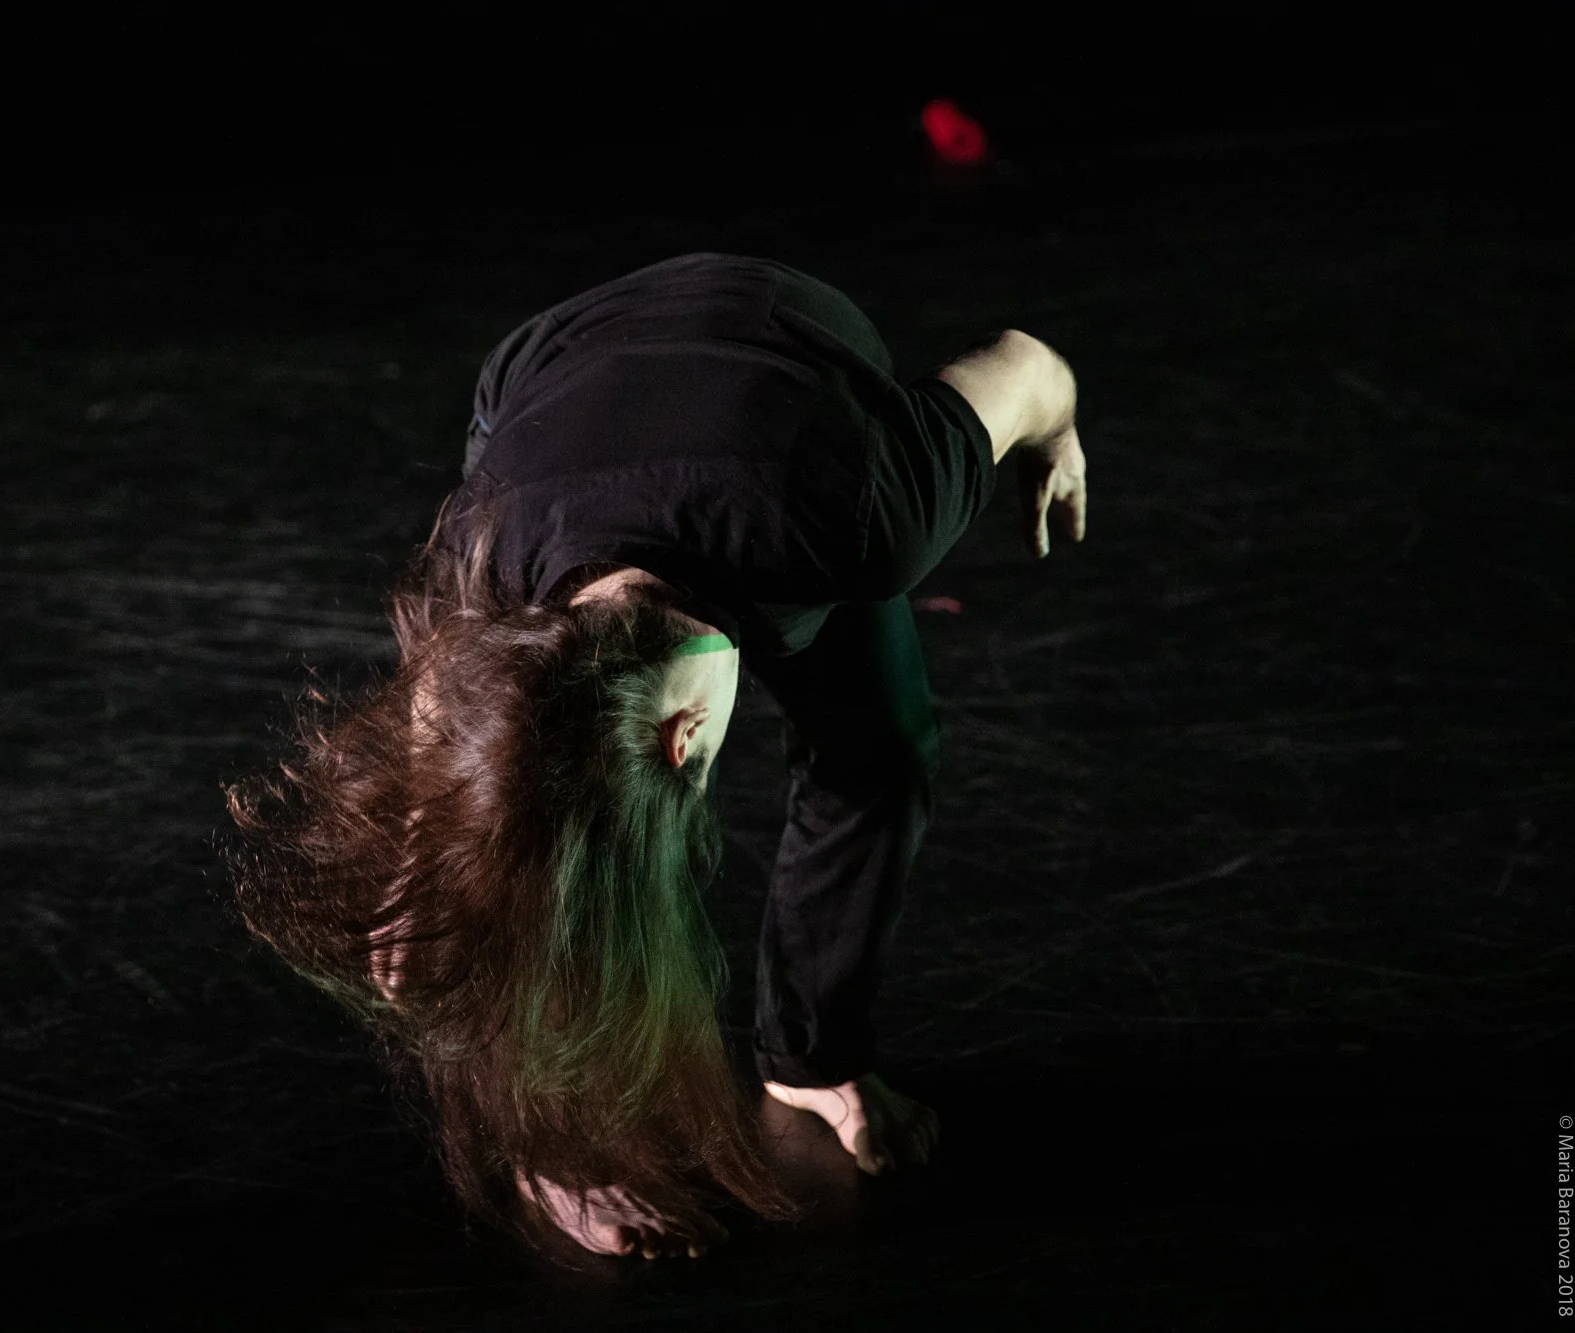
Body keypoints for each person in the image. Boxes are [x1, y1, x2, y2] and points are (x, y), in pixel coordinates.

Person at [224, 253, 1087, 1264]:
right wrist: (425, 860)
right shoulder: (494, 563)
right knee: (524, 842)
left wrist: (1054, 434)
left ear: (684, 742)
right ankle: (562, 1142)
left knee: (879, 748)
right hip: (552, 372)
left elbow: (1026, 364)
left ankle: (810, 1058)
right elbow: (446, 698)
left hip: (783, 341)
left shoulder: (859, 510)